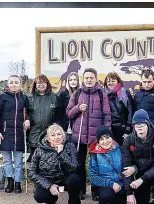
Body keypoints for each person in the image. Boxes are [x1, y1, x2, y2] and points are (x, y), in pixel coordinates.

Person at [67, 68, 111, 200]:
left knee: (96, 164)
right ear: (83, 79)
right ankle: (81, 190)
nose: (89, 80)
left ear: (96, 78)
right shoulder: (77, 94)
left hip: (95, 137)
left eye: (91, 77)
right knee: (79, 164)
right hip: (78, 136)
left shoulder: (102, 94)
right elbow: (68, 113)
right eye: (87, 78)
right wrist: (77, 108)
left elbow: (107, 115)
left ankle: (95, 190)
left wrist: (105, 135)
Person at [122, 109, 154, 204]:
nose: (139, 126)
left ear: (147, 123)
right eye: (136, 123)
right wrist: (129, 193)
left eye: (142, 123)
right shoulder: (128, 141)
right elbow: (126, 168)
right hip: (140, 173)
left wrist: (141, 179)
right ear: (133, 126)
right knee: (141, 200)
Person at [28, 124, 81, 204]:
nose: (57, 137)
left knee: (75, 179)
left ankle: (73, 201)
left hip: (65, 180)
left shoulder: (70, 146)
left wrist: (61, 154)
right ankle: (51, 199)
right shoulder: (39, 150)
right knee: (39, 196)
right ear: (48, 139)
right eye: (53, 135)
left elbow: (74, 167)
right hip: (48, 180)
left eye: (59, 134)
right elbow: (31, 172)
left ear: (63, 136)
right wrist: (49, 186)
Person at [0, 75, 28, 194]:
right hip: (5, 133)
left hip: (19, 133)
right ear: (8, 85)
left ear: (20, 84)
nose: (14, 85)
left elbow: (27, 113)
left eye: (16, 82)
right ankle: (10, 181)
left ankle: (18, 183)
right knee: (7, 160)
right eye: (11, 82)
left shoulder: (24, 98)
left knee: (18, 161)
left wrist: (28, 120)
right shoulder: (2, 97)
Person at [26, 74, 60, 162]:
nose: (41, 85)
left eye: (43, 83)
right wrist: (27, 119)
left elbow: (59, 114)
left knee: (48, 157)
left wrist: (56, 124)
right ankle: (34, 174)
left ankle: (47, 174)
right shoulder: (29, 98)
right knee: (35, 157)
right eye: (39, 83)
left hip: (49, 132)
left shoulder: (54, 97)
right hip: (34, 132)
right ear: (35, 85)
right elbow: (25, 113)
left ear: (47, 84)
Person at [88, 126, 127, 204]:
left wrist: (134, 169)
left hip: (121, 185)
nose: (105, 141)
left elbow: (131, 166)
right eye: (101, 139)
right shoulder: (95, 155)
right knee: (107, 195)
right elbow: (93, 177)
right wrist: (111, 184)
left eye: (107, 137)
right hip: (105, 186)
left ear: (112, 138)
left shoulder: (121, 150)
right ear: (98, 142)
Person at [103, 72, 134, 146]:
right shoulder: (103, 95)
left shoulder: (125, 92)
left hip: (124, 127)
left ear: (118, 81)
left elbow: (131, 110)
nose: (110, 83)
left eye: (113, 81)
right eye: (108, 81)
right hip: (111, 129)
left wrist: (128, 127)